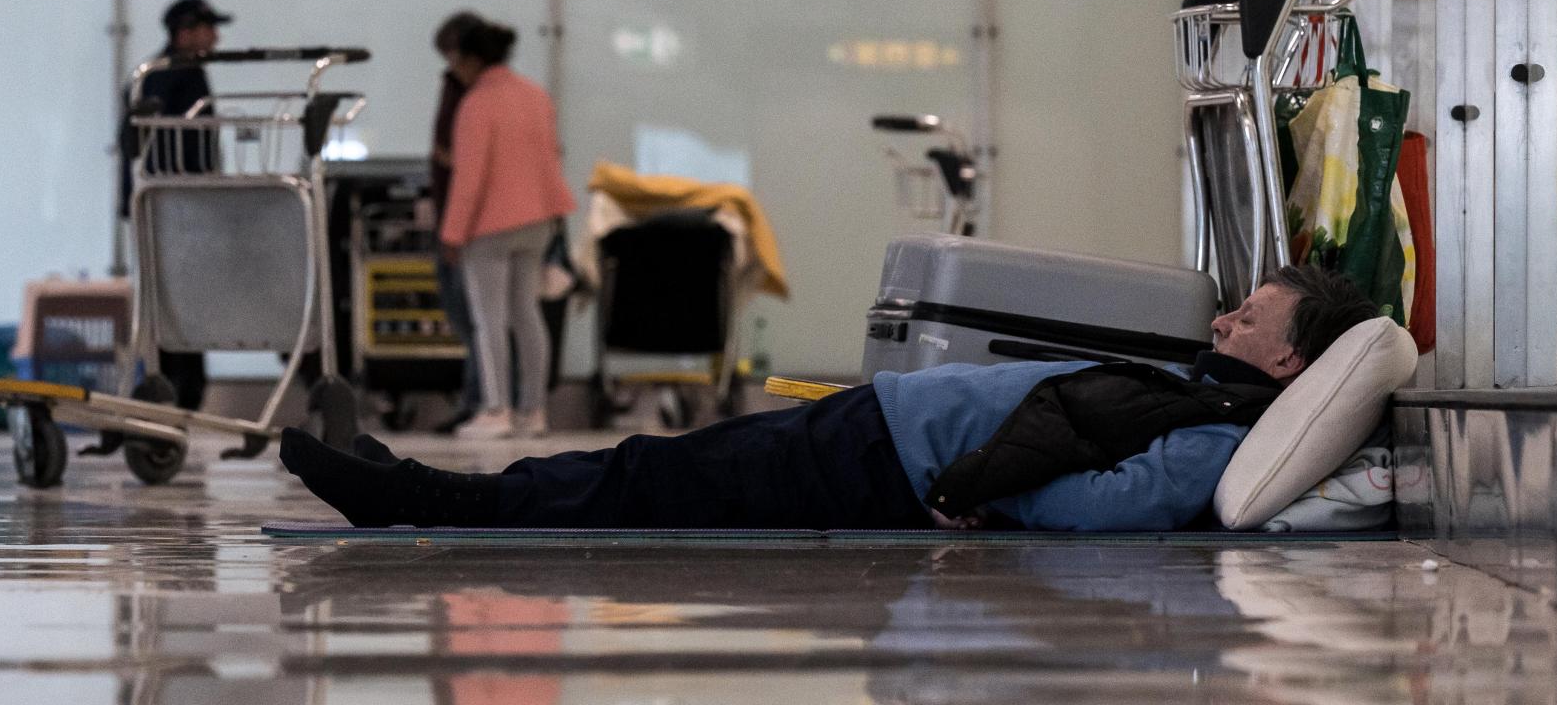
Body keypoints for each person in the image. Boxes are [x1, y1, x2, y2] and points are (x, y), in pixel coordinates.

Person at [281, 266, 1381, 530]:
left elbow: (1103, 504)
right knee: (644, 474)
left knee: (642, 480)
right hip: (877, 433)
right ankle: (415, 484)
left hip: (884, 466)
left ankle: (408, 495)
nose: (1225, 320)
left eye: (1251, 320)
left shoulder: (1210, 435)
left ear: (1289, 363)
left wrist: (973, 489)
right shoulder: (1197, 392)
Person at [436, 20, 577, 439]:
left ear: (473, 59)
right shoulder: (535, 96)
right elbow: (551, 158)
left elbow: (470, 178)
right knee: (527, 315)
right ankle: (534, 412)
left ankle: (496, 409)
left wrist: (452, 232)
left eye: (455, 59)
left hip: (489, 227)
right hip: (538, 222)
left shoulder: (477, 104)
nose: (453, 68)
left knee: (488, 319)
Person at [118, 0, 232, 411]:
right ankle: (175, 388)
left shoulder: (166, 73)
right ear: (185, 32)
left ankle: (175, 388)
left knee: (175, 298)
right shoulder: (167, 76)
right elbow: (141, 142)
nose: (216, 37)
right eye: (208, 28)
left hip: (171, 205)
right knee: (176, 300)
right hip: (174, 208)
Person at [425, 11, 488, 434]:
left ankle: (484, 400)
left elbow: (466, 163)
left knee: (477, 316)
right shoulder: (457, 87)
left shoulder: (483, 95)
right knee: (470, 315)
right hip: (456, 209)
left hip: (472, 217)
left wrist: (453, 229)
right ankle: (483, 398)